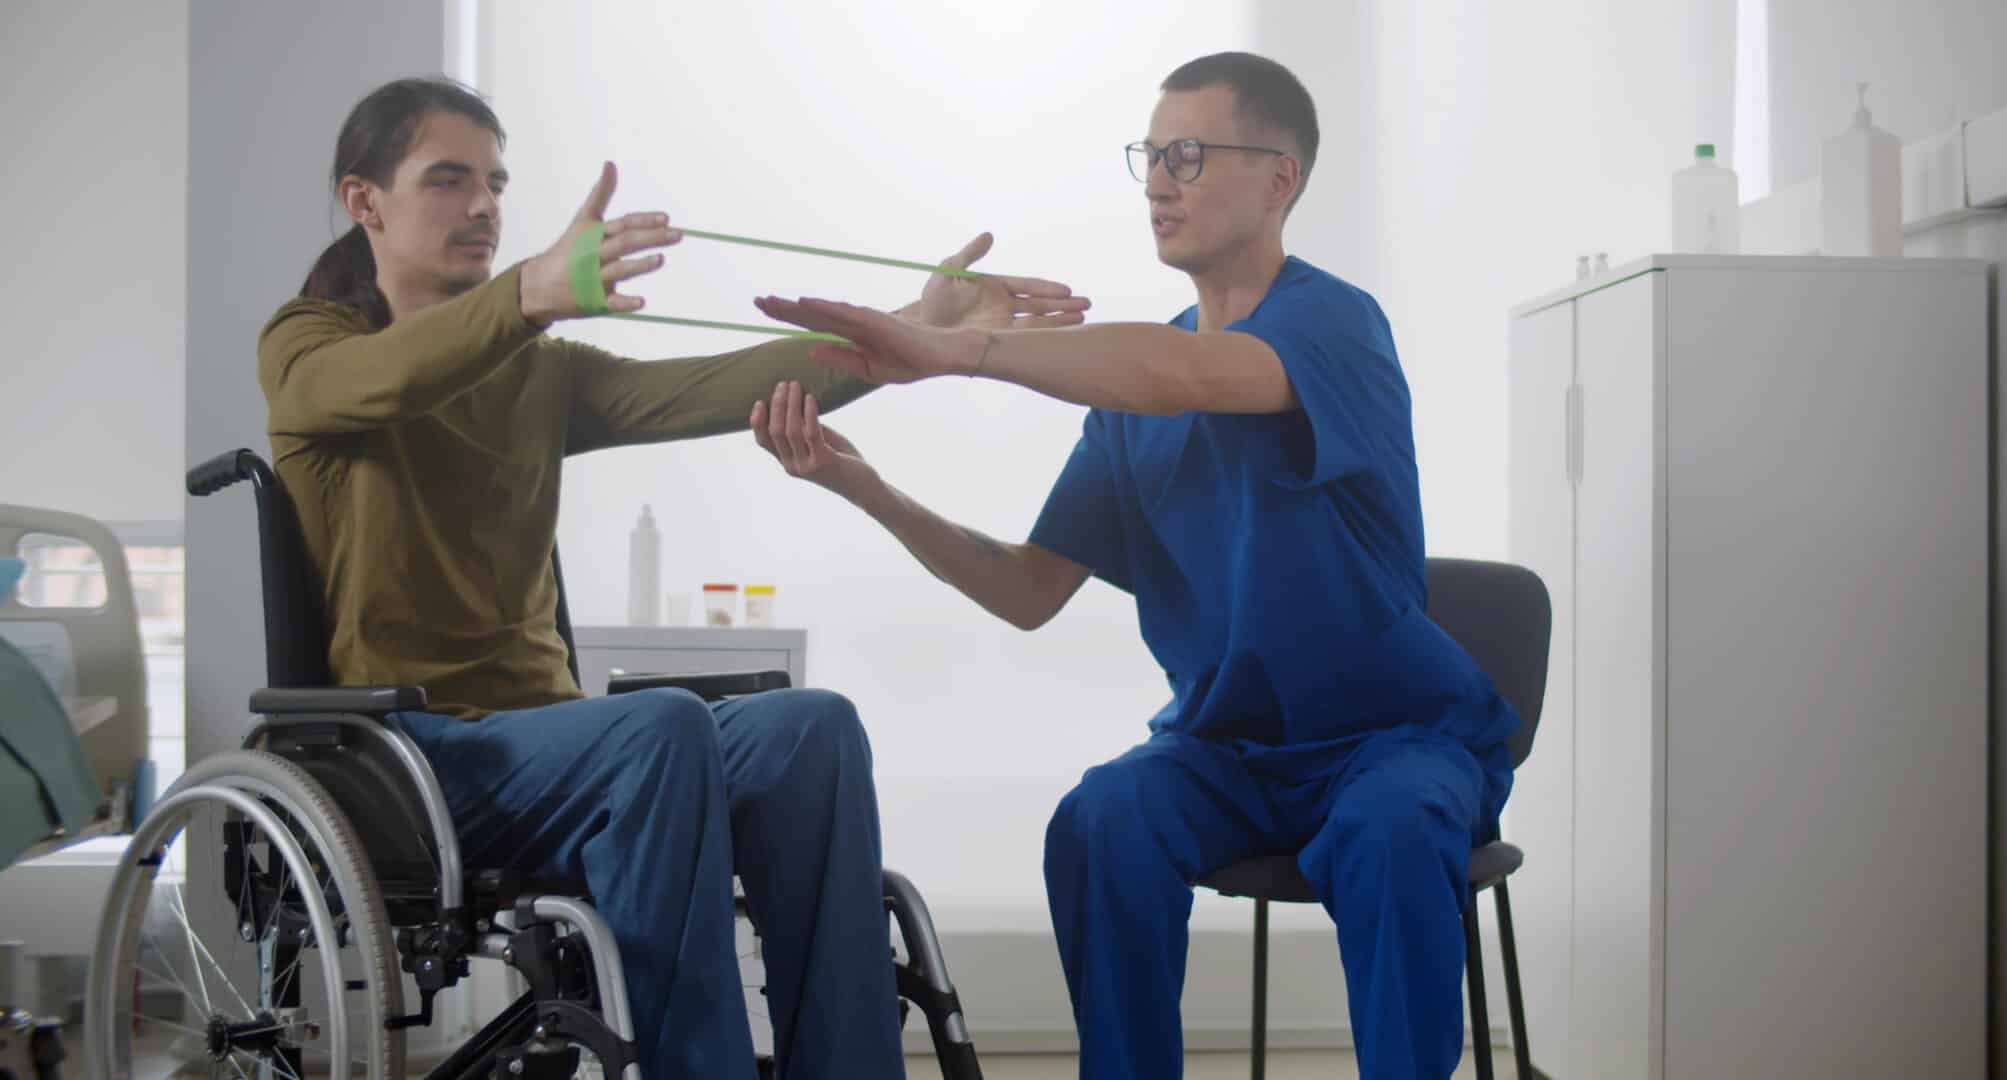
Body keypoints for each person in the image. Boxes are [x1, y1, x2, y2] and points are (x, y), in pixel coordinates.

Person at [258, 76, 1088, 1079]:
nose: (482, 205)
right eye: (448, 180)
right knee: (658, 727)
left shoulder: (539, 373)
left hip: (546, 744)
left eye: (495, 183)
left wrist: (910, 332)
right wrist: (521, 296)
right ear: (364, 200)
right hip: (411, 759)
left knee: (807, 728)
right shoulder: (307, 345)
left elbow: (713, 385)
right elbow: (374, 384)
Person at [747, 52, 1518, 1078]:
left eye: (1188, 156)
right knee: (1102, 820)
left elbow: (1187, 375)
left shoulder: (1334, 326)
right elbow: (1025, 591)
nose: (1157, 180)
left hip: (1393, 739)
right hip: (1225, 751)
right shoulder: (1127, 399)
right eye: (1150, 156)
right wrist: (866, 488)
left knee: (1389, 829)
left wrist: (960, 352)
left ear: (1278, 176)